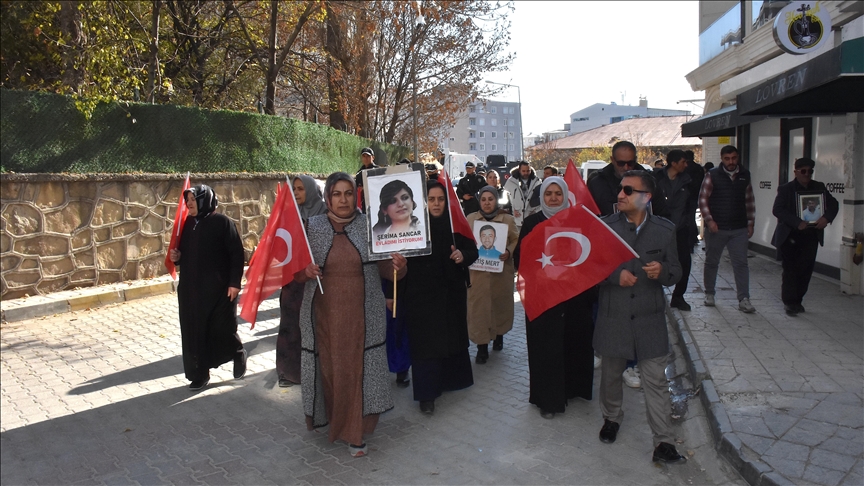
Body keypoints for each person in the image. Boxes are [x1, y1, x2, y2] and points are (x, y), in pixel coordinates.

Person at [295, 172, 406, 457]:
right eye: (336, 194)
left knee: (358, 373)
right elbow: (293, 271)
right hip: (324, 319)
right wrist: (304, 272)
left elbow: (386, 270)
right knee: (332, 373)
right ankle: (335, 420)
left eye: (348, 193)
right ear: (328, 197)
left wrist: (398, 266)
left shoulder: (370, 226)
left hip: (363, 318)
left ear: (355, 196)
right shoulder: (312, 227)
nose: (343, 200)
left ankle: (354, 432)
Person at [594, 170, 686, 464]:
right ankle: (611, 418)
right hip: (614, 316)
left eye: (628, 190)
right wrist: (613, 275)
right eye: (621, 189)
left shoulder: (665, 229)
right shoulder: (605, 227)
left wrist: (664, 273)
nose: (620, 195)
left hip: (649, 319)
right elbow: (590, 267)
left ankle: (664, 443)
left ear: (646, 198)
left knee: (656, 382)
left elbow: (677, 271)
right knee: (610, 376)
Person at [513, 177, 597, 419]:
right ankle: (547, 400)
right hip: (544, 298)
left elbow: (588, 255)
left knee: (574, 342)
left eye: (557, 194)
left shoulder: (577, 220)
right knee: (546, 349)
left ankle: (573, 390)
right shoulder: (531, 222)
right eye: (548, 193)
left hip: (574, 296)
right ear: (542, 197)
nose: (552, 198)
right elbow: (521, 258)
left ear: (565, 195)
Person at [588, 140, 667, 389]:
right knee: (603, 305)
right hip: (606, 248)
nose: (625, 167)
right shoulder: (598, 182)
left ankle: (631, 365)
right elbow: (588, 214)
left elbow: (659, 212)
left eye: (630, 162)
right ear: (612, 160)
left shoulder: (645, 179)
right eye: (620, 163)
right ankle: (603, 349)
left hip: (636, 247)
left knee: (634, 309)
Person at [402, 180, 478, 414]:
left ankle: (450, 381)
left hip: (450, 296)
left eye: (441, 199)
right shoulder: (412, 226)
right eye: (432, 199)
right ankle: (427, 395)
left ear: (447, 202)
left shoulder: (456, 225)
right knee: (426, 344)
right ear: (423, 202)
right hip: (421, 297)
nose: (436, 204)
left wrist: (462, 255)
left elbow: (473, 250)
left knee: (450, 337)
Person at [169, 185, 247, 391]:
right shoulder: (187, 224)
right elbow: (187, 254)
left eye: (194, 199)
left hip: (219, 292)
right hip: (191, 291)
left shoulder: (222, 223)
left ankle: (237, 352)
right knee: (194, 332)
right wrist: (177, 258)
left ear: (206, 200)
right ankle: (199, 374)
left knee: (221, 330)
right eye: (188, 200)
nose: (190, 203)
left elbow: (237, 255)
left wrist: (234, 283)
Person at [771, 157, 839, 316]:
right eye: (803, 171)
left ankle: (798, 300)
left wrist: (826, 218)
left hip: (810, 235)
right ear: (795, 172)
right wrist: (796, 222)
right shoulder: (786, 189)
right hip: (791, 235)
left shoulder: (819, 187)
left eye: (810, 171)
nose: (806, 174)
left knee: (806, 269)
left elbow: (833, 204)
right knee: (790, 270)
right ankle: (789, 302)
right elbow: (778, 210)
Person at [276, 175, 326, 388]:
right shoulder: (290, 215)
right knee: (291, 325)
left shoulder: (326, 214)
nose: (296, 193)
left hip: (318, 280)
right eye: (293, 189)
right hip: (294, 281)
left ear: (311, 190)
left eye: (300, 189)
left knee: (317, 327)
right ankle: (289, 372)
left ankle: (319, 371)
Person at [699, 145, 756, 313]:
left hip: (739, 228)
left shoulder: (745, 175)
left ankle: (744, 299)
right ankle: (709, 293)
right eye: (727, 158)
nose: (731, 162)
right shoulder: (712, 175)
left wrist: (751, 222)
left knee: (741, 263)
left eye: (734, 158)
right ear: (722, 158)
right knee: (712, 262)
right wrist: (709, 221)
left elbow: (749, 200)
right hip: (717, 228)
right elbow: (703, 200)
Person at [467, 187, 519, 364]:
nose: (487, 203)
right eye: (484, 199)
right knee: (479, 310)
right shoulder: (471, 219)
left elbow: (515, 240)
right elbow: (464, 241)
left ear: (496, 200)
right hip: (478, 274)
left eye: (490, 199)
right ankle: (482, 348)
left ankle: (499, 335)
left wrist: (508, 252)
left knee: (499, 306)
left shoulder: (507, 220)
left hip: (500, 274)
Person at [654, 150, 695, 311]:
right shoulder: (656, 179)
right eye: (683, 161)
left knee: (684, 262)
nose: (686, 165)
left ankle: (678, 296)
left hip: (680, 229)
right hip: (658, 228)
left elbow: (691, 204)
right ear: (674, 163)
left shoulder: (687, 181)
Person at [503, 161, 542, 230]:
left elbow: (541, 199)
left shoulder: (537, 182)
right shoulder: (511, 181)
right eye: (523, 171)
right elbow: (505, 197)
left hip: (531, 218)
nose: (526, 173)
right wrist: (511, 210)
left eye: (528, 171)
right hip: (516, 219)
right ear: (519, 170)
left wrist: (536, 212)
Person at [355, 147, 379, 212]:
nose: (366, 158)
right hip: (364, 205)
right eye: (364, 156)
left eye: (368, 156)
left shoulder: (378, 170)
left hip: (377, 202)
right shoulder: (359, 173)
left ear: (373, 157)